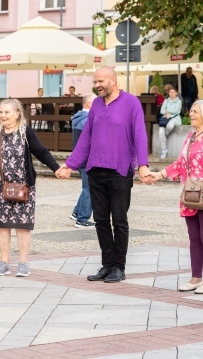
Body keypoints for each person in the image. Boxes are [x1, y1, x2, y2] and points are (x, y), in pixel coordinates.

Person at [57, 66, 151, 283]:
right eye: (95, 82)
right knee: (100, 221)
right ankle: (106, 265)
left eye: (101, 81)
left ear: (113, 80)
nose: (97, 85)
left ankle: (119, 267)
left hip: (120, 170)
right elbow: (86, 139)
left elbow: (139, 136)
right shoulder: (97, 104)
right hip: (95, 170)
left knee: (119, 220)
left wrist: (142, 165)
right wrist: (70, 164)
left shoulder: (131, 103)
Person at [0, 98, 60, 277]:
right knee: (2, 226)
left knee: (23, 226)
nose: (3, 115)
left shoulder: (26, 132)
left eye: (7, 112)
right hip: (0, 188)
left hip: (24, 187)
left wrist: (57, 168)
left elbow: (41, 152)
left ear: (17, 114)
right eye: (1, 112)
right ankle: (4, 262)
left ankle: (23, 263)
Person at [149, 100, 203, 294]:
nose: (191, 114)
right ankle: (196, 278)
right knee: (194, 238)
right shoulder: (190, 137)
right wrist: (159, 175)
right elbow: (180, 164)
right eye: (192, 111)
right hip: (189, 194)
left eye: (195, 111)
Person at [69, 93, 96, 228]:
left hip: (80, 158)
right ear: (90, 104)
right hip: (88, 159)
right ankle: (82, 219)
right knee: (89, 189)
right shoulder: (88, 120)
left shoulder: (78, 118)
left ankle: (76, 212)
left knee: (87, 188)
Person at [159, 88, 183, 159]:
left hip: (175, 118)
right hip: (165, 118)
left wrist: (167, 111)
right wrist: (166, 113)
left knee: (170, 126)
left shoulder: (179, 101)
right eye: (170, 92)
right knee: (160, 132)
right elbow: (161, 111)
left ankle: (166, 134)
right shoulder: (166, 101)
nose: (171, 93)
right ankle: (164, 149)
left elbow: (177, 110)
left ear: (176, 93)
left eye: (173, 92)